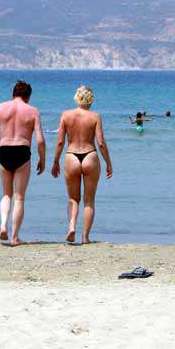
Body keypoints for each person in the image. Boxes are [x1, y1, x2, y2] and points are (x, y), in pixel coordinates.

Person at [0, 80, 46, 246]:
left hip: (4, 151)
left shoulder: (1, 107)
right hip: (22, 151)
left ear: (13, 94)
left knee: (6, 194)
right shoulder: (32, 111)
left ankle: (3, 225)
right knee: (19, 198)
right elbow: (40, 140)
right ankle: (14, 237)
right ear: (28, 96)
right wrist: (42, 159)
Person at [51, 85, 112, 244]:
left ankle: (71, 227)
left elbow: (59, 142)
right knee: (89, 200)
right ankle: (85, 237)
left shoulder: (66, 115)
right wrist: (108, 163)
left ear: (77, 97)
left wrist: (55, 161)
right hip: (90, 155)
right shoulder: (95, 116)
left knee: (72, 198)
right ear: (91, 99)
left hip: (71, 156)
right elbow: (101, 143)